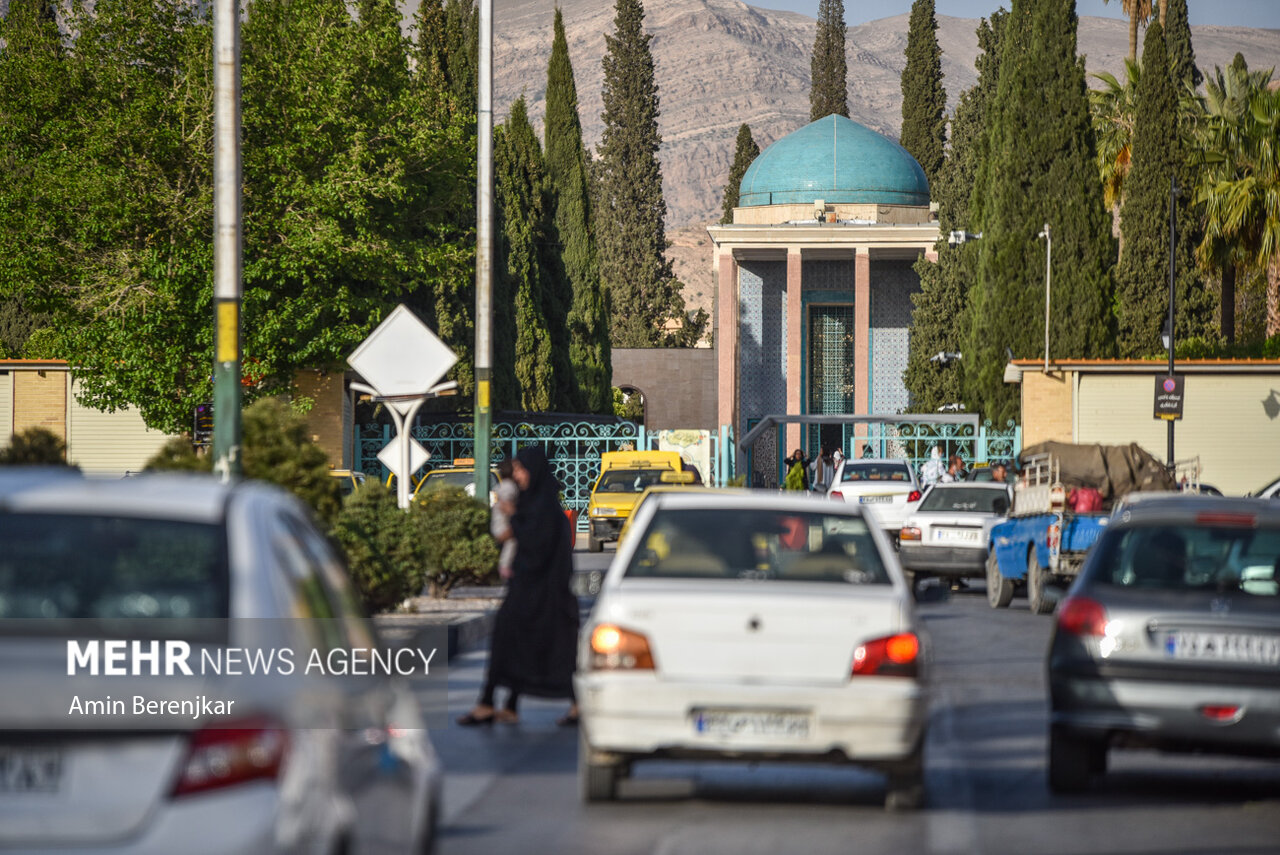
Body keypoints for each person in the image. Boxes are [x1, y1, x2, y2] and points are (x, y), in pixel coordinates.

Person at [458, 446, 579, 727]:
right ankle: (497, 703)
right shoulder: (532, 503)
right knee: (513, 644)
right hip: (528, 591)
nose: (519, 476)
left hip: (547, 594)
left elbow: (537, 544)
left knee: (551, 650)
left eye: (522, 470)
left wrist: (513, 516)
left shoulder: (545, 507)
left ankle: (575, 704)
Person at [492, 460, 519, 580]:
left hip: (498, 522)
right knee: (513, 542)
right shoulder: (510, 486)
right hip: (504, 524)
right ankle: (505, 568)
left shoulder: (501, 485)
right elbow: (506, 503)